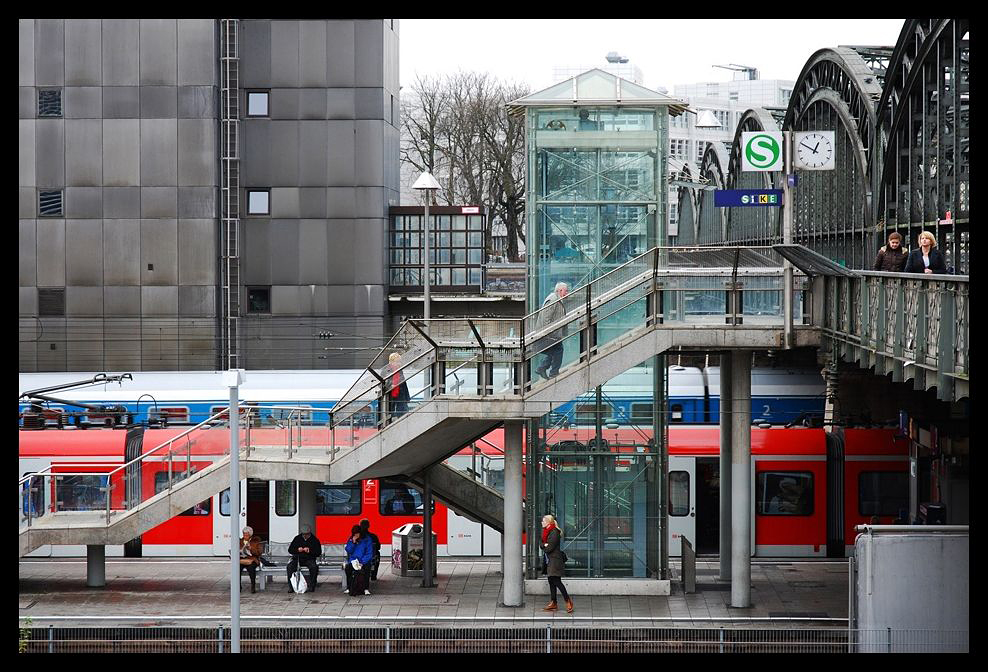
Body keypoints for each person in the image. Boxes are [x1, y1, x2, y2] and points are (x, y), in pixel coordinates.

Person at [534, 282, 569, 380]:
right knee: (558, 350)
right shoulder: (553, 299)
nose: (567, 293)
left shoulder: (557, 299)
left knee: (555, 351)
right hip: (550, 333)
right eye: (566, 291)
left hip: (554, 333)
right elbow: (546, 317)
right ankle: (551, 371)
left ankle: (542, 368)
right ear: (560, 290)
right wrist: (548, 333)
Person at [541, 514, 573, 613]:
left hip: (555, 560)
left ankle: (568, 601)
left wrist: (544, 546)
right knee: (551, 581)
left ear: (549, 522)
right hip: (549, 560)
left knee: (556, 581)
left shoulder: (554, 532)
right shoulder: (546, 532)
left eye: (543, 521)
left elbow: (549, 548)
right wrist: (544, 545)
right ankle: (553, 603)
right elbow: (541, 543)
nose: (542, 522)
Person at [287, 524, 321, 593]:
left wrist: (309, 551)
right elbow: (290, 550)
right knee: (289, 567)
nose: (305, 536)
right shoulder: (297, 538)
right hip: (298, 558)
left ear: (309, 533)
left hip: (309, 559)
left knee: (314, 567)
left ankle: (312, 586)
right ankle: (291, 586)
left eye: (307, 534)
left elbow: (318, 552)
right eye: (303, 534)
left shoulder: (315, 540)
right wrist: (297, 550)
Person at [344, 524, 374, 596]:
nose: (356, 535)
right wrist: (353, 543)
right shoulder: (351, 539)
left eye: (357, 534)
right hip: (353, 560)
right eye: (354, 534)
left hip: (364, 561)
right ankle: (349, 587)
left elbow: (369, 553)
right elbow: (348, 550)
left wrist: (362, 562)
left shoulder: (367, 540)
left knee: (366, 569)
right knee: (348, 568)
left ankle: (365, 588)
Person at [385, 352, 410, 419]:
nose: (399, 363)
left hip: (400, 394)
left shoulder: (400, 370)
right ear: (391, 362)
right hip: (390, 395)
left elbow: (404, 384)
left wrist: (407, 397)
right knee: (390, 411)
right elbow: (382, 383)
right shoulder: (386, 370)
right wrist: (390, 386)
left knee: (403, 411)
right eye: (397, 362)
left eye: (399, 362)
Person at [239, 526, 263, 594]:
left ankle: (253, 586)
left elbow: (259, 552)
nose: (245, 536)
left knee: (251, 568)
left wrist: (251, 549)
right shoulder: (240, 541)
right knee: (237, 568)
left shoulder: (256, 541)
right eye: (244, 534)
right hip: (242, 559)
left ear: (250, 535)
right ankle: (238, 586)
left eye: (247, 535)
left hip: (252, 559)